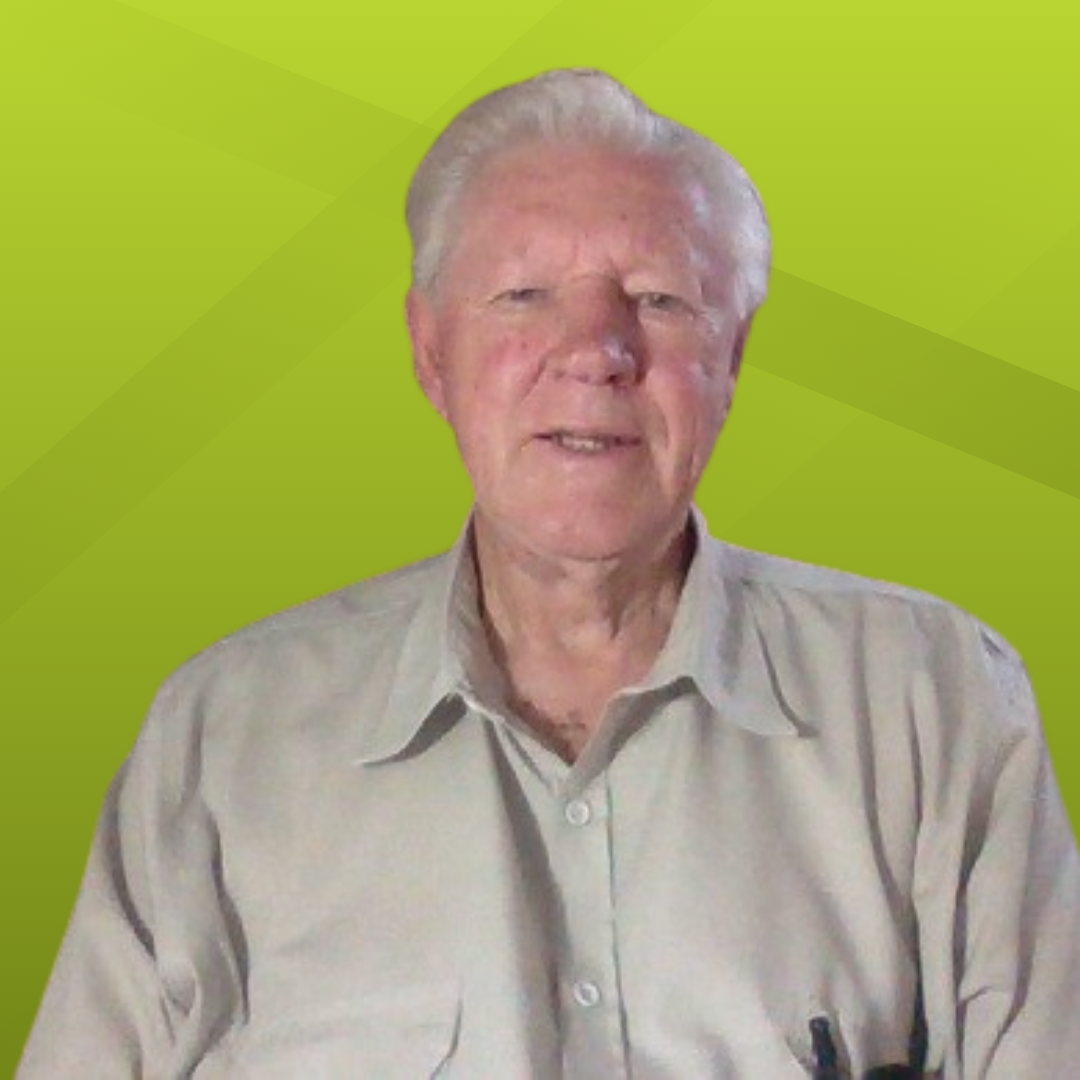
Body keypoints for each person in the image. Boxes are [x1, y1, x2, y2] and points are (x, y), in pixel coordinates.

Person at [19, 68, 1080, 1078]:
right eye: (523, 294)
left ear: (733, 355)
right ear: (429, 352)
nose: (595, 350)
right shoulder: (223, 737)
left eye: (658, 299)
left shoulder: (931, 702)